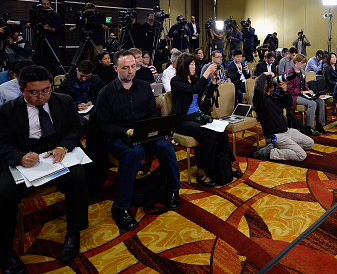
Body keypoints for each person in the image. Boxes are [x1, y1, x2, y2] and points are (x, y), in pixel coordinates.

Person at [0, 65, 88, 269]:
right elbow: (2, 143)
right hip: (24, 154)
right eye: (34, 92)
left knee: (79, 177)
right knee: (3, 192)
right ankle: (5, 251)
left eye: (46, 90)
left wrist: (63, 147)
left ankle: (74, 232)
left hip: (55, 152)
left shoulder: (63, 101)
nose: (41, 97)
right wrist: (19, 157)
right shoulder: (7, 111)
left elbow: (76, 128)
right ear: (22, 90)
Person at [97, 50, 181, 231]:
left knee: (166, 146)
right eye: (125, 68)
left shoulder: (143, 86)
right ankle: (121, 207)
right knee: (135, 152)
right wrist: (126, 131)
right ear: (115, 68)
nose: (130, 71)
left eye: (133, 66)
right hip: (119, 136)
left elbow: (151, 113)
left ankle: (173, 189)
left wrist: (153, 128)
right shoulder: (105, 93)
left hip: (144, 132)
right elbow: (104, 125)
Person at [170, 53, 241, 187]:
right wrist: (207, 72)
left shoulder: (195, 79)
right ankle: (202, 171)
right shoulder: (176, 81)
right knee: (208, 135)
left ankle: (227, 163)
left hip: (198, 115)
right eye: (191, 64)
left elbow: (207, 94)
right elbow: (193, 90)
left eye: (194, 64)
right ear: (183, 66)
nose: (194, 67)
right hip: (183, 119)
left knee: (221, 129)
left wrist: (213, 80)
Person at [251, 73, 314, 161]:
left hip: (288, 131)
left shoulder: (274, 96)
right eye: (268, 82)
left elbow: (289, 103)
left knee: (310, 143)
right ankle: (271, 152)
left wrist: (285, 90)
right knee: (301, 155)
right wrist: (263, 75)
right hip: (275, 136)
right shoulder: (260, 101)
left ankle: (280, 147)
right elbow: (258, 89)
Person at [285, 54, 326, 135]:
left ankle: (319, 124)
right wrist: (303, 92)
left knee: (320, 101)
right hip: (293, 96)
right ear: (296, 62)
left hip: (302, 94)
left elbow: (305, 85)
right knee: (312, 104)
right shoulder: (289, 73)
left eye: (304, 63)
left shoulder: (302, 73)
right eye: (302, 63)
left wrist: (309, 91)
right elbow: (290, 90)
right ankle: (308, 127)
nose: (304, 65)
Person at [27, 0, 63, 76]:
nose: (46, 6)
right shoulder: (37, 13)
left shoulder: (55, 15)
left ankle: (55, 79)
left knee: (53, 61)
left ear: (50, 5)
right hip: (38, 41)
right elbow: (31, 22)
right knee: (38, 60)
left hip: (51, 41)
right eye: (43, 4)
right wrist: (29, 24)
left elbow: (58, 29)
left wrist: (49, 29)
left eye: (47, 4)